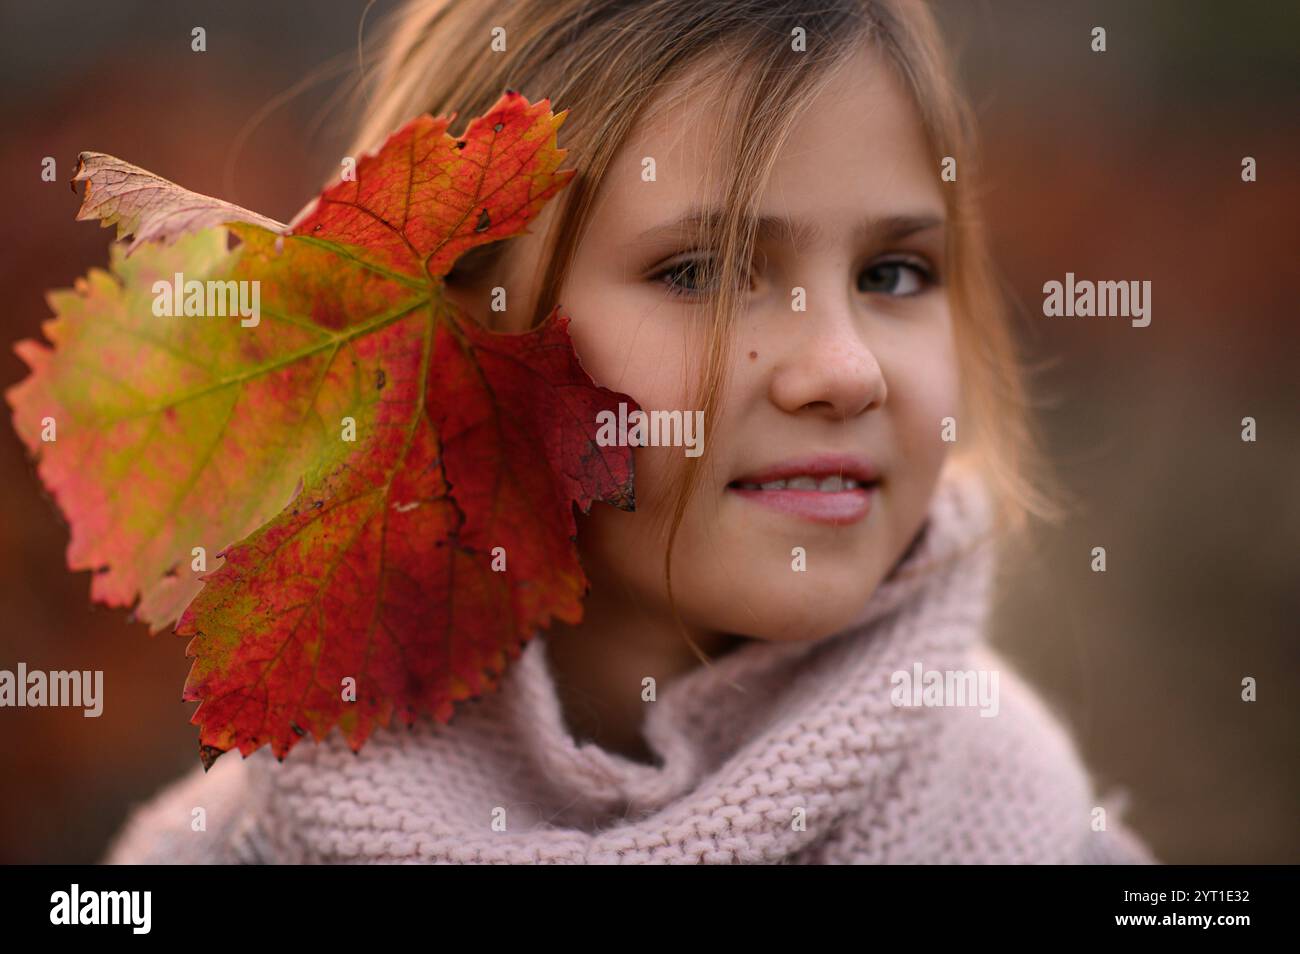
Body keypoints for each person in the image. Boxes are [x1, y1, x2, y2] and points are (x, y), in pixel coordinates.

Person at [103, 0, 1156, 864]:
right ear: (451, 328)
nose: (844, 368)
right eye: (698, 271)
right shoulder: (207, 859)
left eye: (892, 274)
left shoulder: (1056, 844)